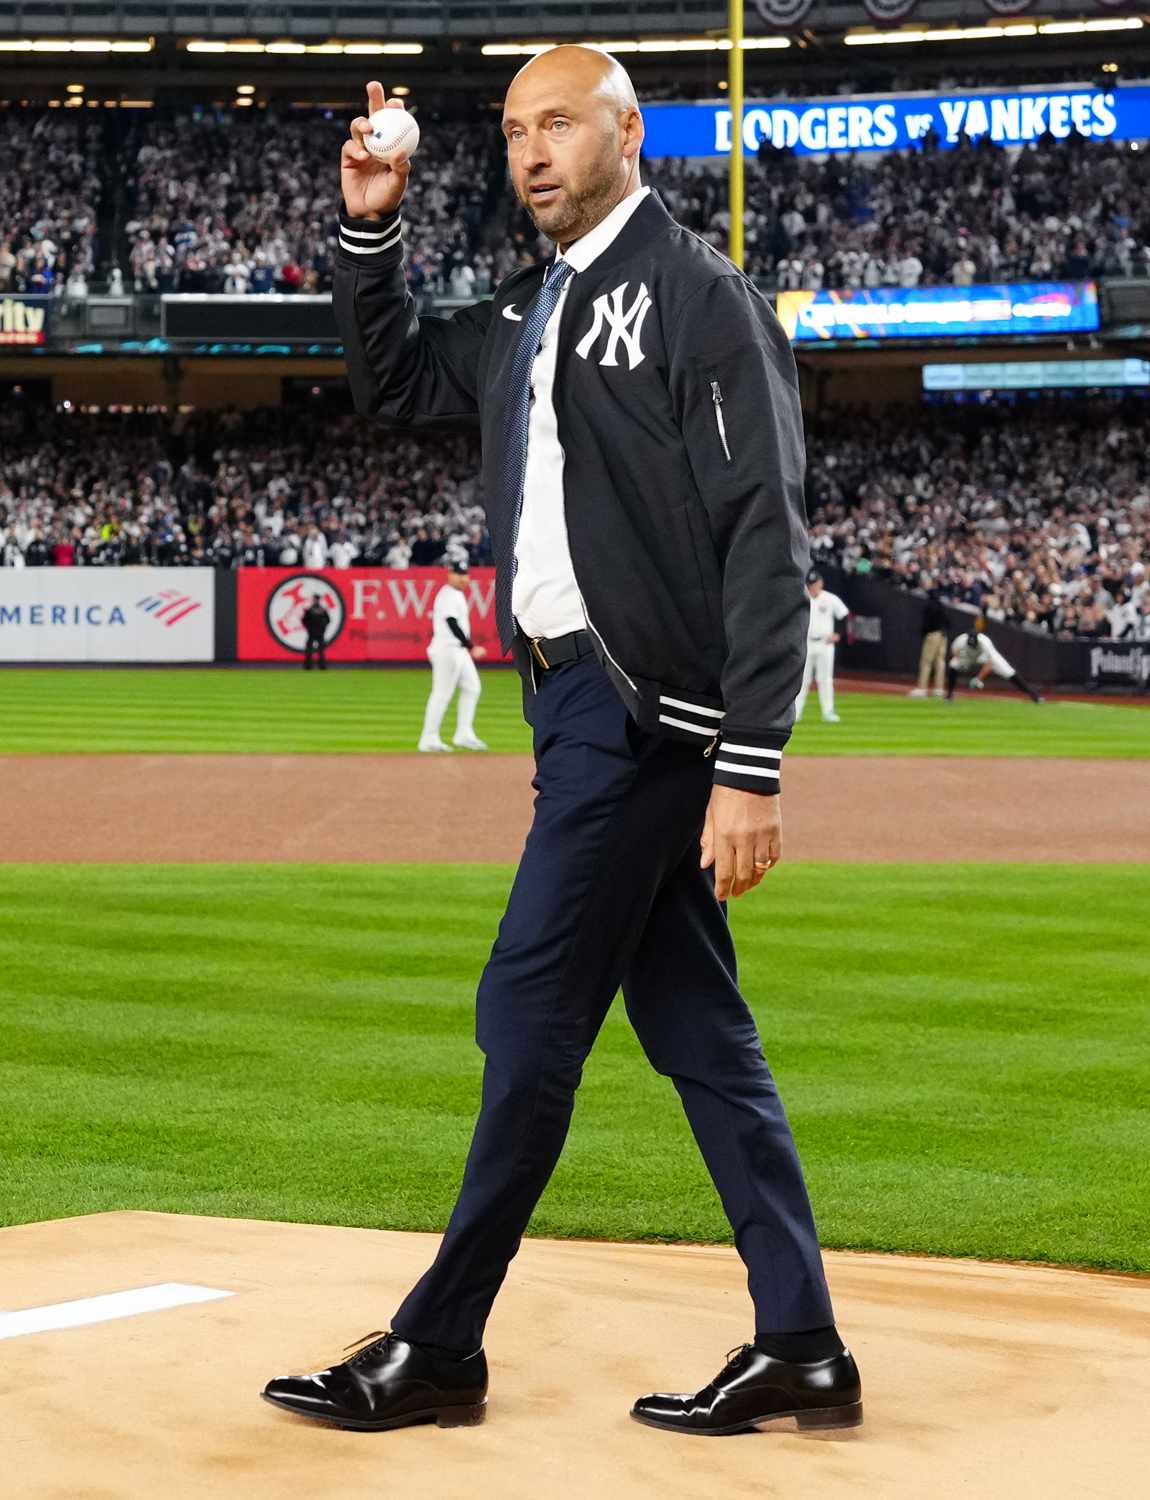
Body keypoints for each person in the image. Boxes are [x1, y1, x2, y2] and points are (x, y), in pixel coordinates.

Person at [263, 51, 861, 1440]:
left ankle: (442, 1343)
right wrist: (370, 222)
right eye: (515, 129)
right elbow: (395, 378)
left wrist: (751, 762)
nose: (531, 150)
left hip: (643, 715)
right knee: (699, 1030)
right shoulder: (533, 308)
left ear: (625, 131)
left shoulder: (701, 301)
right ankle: (803, 1342)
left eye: (557, 123)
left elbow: (763, 534)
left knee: (527, 1011)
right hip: (565, 706)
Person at [418, 562, 488, 751]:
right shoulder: (448, 594)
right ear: (450, 574)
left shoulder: (455, 594)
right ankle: (429, 738)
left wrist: (466, 647)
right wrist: (471, 646)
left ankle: (463, 734)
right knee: (442, 693)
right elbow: (451, 622)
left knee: (472, 687)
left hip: (458, 650)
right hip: (447, 649)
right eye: (459, 574)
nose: (463, 578)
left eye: (465, 574)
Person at [794, 571, 848, 723]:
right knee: (803, 680)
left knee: (825, 679)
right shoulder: (803, 597)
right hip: (807, 642)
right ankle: (796, 712)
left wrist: (838, 633)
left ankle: (828, 711)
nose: (813, 587)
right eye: (810, 585)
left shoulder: (830, 599)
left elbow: (844, 615)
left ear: (821, 583)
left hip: (825, 643)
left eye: (815, 584)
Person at [946, 618, 1044, 703]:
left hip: (983, 657)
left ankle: (1034, 695)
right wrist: (962, 663)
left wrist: (978, 678)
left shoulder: (985, 642)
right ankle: (949, 695)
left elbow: (989, 663)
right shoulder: (960, 640)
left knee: (1008, 672)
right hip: (967, 657)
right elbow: (954, 653)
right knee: (953, 664)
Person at [909, 593, 950, 698]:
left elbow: (926, 623)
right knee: (940, 662)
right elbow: (948, 622)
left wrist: (923, 633)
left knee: (926, 661)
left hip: (933, 635)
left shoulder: (929, 606)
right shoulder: (943, 606)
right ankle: (939, 689)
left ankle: (922, 688)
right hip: (943, 635)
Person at [302, 592, 330, 671]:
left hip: (317, 632)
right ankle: (312, 666)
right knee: (311, 650)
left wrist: (321, 628)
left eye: (316, 599)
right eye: (314, 599)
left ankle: (314, 666)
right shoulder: (313, 610)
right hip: (314, 632)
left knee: (319, 650)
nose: (315, 600)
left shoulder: (313, 610)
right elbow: (304, 620)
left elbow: (327, 620)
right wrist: (309, 628)